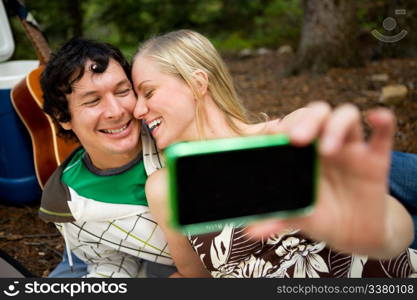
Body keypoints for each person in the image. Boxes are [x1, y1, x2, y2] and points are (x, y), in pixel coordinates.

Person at [131, 29, 417, 278]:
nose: (137, 110)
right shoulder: (164, 188)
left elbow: (393, 234)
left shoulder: (291, 132)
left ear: (198, 83)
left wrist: (361, 214)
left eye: (149, 92)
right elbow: (196, 277)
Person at [38, 37, 179, 278]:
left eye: (123, 91)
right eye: (93, 101)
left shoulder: (175, 138)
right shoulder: (71, 202)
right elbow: (110, 260)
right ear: (63, 117)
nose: (116, 111)